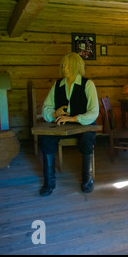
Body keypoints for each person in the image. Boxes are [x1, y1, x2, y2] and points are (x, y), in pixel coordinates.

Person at [39, 52, 99, 196]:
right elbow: (46, 108)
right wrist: (55, 113)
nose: (64, 68)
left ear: (76, 67)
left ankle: (87, 181)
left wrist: (73, 119)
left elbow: (94, 112)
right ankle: (49, 183)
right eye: (63, 65)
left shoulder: (88, 84)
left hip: (84, 124)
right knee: (46, 139)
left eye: (67, 65)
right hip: (62, 124)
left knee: (87, 140)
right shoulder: (57, 84)